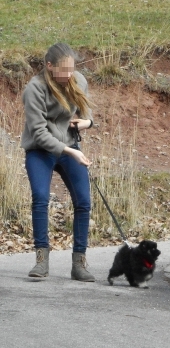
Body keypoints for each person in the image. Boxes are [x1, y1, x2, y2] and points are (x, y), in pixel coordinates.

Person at [21, 42, 95, 281]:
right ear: (49, 66)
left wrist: (86, 123)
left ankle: (79, 263)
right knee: (41, 198)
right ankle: (41, 260)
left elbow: (86, 113)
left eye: (72, 69)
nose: (69, 75)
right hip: (40, 151)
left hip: (70, 147)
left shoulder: (78, 80)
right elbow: (39, 133)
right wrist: (69, 150)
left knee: (83, 201)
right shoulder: (35, 88)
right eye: (64, 70)